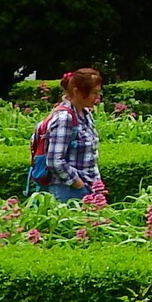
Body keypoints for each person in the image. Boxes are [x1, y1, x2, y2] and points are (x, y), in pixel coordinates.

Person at [28, 67, 105, 204]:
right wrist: (79, 184)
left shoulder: (85, 114)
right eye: (94, 93)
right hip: (68, 191)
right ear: (77, 92)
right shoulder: (65, 118)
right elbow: (55, 161)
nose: (97, 97)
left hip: (88, 188)